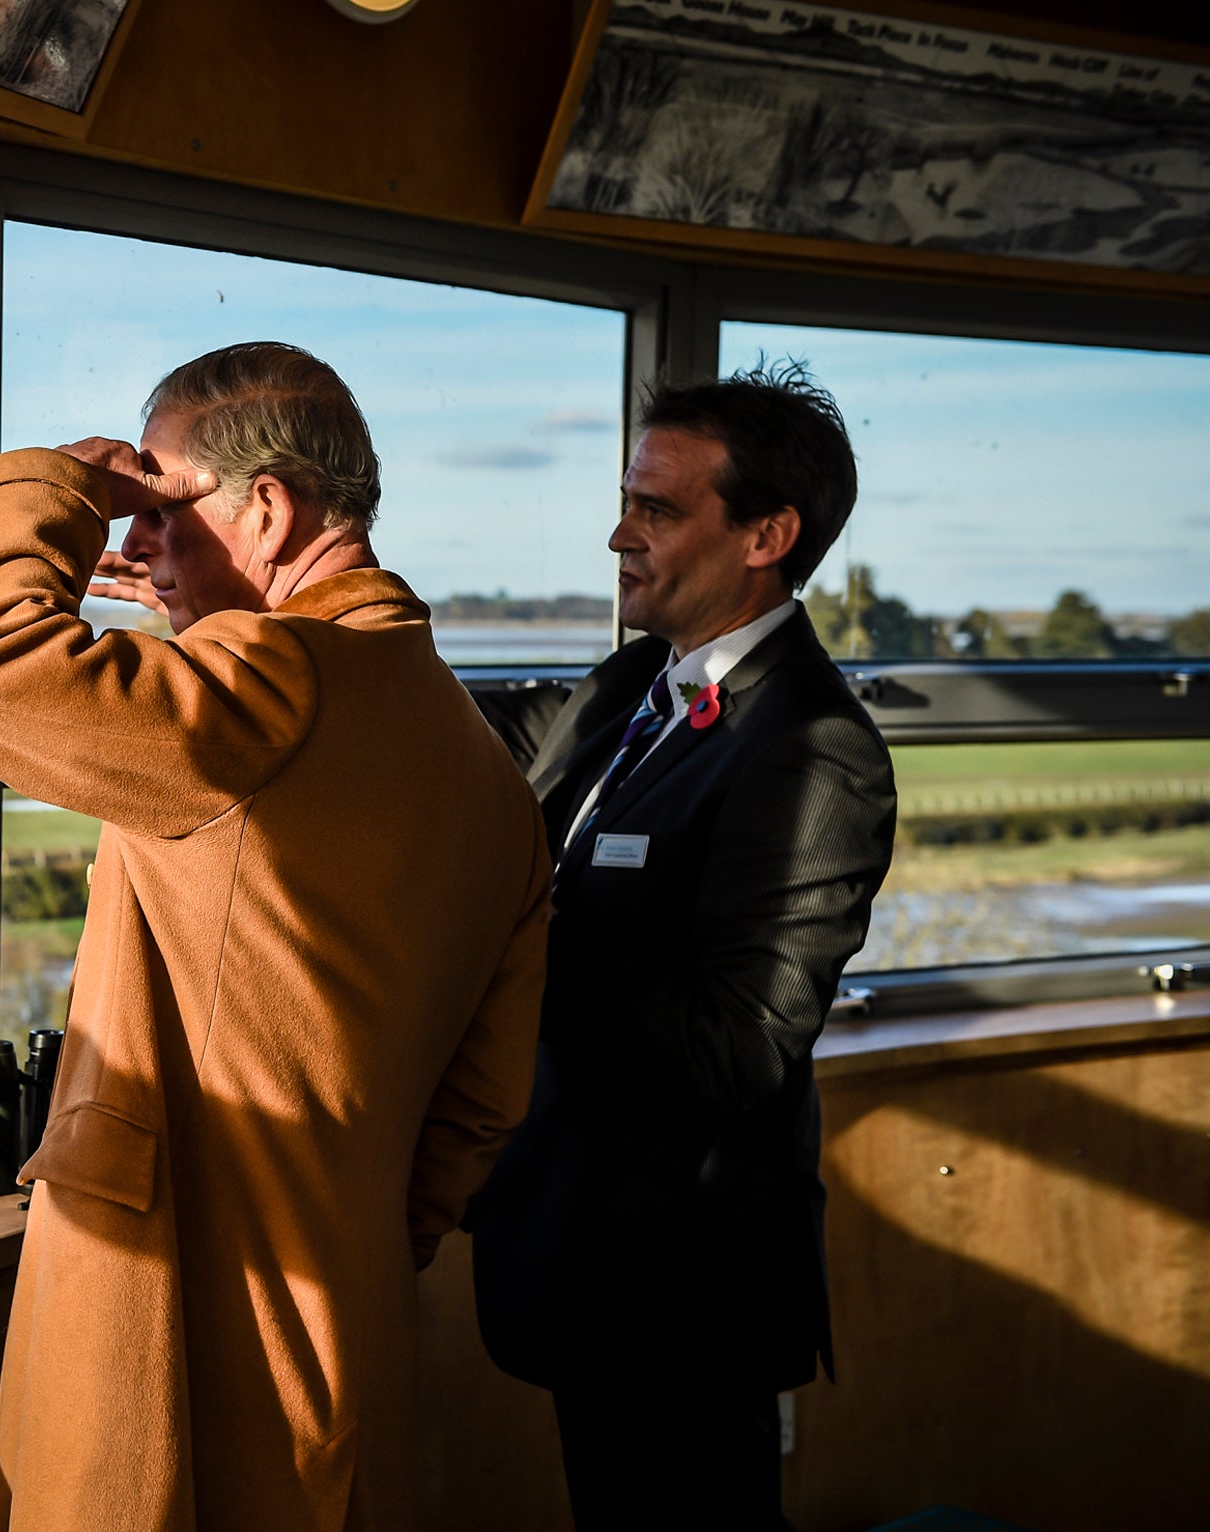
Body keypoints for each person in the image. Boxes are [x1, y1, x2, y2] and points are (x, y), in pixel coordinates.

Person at [0, 341, 552, 1531]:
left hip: (171, 1316)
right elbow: (480, 1109)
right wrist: (351, 1231)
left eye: (155, 499)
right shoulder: (484, 769)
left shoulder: (265, 685)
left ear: (266, 507)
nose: (134, 540)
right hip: (348, 1318)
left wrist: (54, 484)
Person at [467, 363, 898, 1529]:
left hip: (679, 1290)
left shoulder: (813, 749)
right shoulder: (627, 687)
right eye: (627, 500)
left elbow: (737, 1044)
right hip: (574, 1249)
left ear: (767, 533)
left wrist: (515, 930)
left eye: (656, 509)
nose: (619, 533)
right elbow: (451, 721)